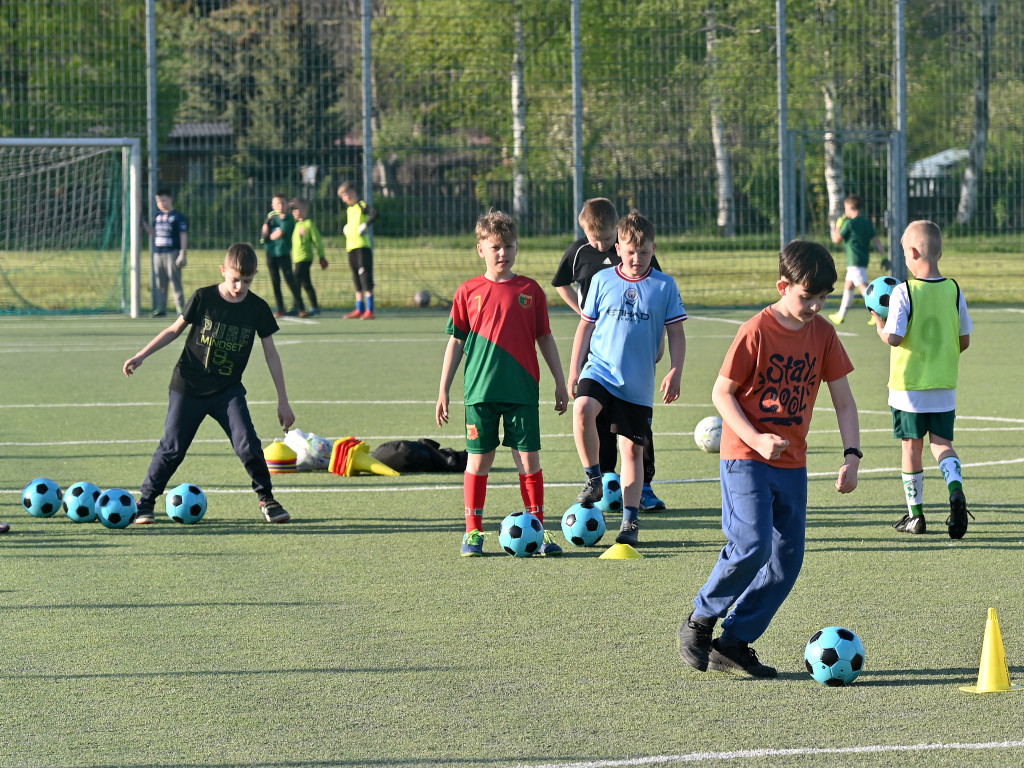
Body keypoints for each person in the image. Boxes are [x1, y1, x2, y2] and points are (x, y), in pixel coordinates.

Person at [677, 240, 860, 678]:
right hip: (746, 456)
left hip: (792, 464)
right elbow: (721, 393)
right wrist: (757, 439)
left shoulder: (824, 334)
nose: (815, 305)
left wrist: (852, 455)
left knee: (786, 561)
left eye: (823, 297)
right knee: (753, 544)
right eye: (806, 295)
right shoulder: (756, 330)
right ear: (783, 285)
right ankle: (700, 620)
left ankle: (735, 642)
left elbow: (845, 403)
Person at [122, 242, 296, 525]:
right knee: (173, 447)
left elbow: (272, 354)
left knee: (248, 443)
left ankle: (268, 499)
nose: (240, 286)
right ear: (223, 271)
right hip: (188, 386)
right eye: (235, 279)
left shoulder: (258, 309)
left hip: (227, 391)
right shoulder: (204, 298)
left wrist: (283, 400)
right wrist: (142, 355)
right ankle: (146, 502)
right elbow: (174, 330)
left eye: (247, 281)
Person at [436, 211, 569, 557]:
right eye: (495, 246)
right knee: (479, 463)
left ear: (517, 247)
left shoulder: (531, 291)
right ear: (480, 248)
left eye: (509, 246)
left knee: (529, 462)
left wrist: (559, 380)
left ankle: (537, 530)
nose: (502, 253)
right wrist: (443, 390)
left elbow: (545, 337)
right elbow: (455, 342)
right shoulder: (468, 292)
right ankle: (472, 531)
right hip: (480, 393)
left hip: (522, 391)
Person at [568, 209, 686, 547]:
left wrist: (675, 369)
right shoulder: (603, 281)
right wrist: (576, 368)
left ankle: (630, 521)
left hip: (637, 382)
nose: (637, 258)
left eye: (645, 252)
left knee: (632, 452)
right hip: (600, 369)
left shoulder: (664, 286)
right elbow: (585, 325)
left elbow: (676, 333)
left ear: (654, 249)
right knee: (582, 409)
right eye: (630, 251)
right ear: (618, 248)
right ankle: (593, 478)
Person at [553, 198, 669, 512]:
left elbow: (654, 299)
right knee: (596, 416)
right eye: (596, 239)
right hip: (599, 349)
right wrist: (581, 311)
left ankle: (644, 487)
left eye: (607, 239)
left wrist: (659, 343)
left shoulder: (636, 254)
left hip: (633, 352)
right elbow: (561, 283)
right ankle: (602, 480)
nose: (602, 244)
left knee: (637, 427)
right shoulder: (579, 253)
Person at [871, 220, 973, 538]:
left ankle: (916, 516)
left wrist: (878, 323)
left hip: (908, 388)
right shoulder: (954, 290)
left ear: (913, 252)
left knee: (911, 447)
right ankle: (955, 491)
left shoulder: (904, 291)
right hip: (944, 386)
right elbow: (964, 340)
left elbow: (895, 338)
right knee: (942, 445)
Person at [828, 193, 888, 325]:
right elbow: (877, 241)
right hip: (862, 260)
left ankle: (876, 313)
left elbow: (836, 239)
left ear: (849, 207)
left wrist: (838, 224)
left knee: (864, 288)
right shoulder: (867, 223)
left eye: (845, 208)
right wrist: (884, 256)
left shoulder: (849, 223)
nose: (845, 211)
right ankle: (840, 315)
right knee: (848, 286)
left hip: (854, 262)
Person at [144, 188, 188, 318]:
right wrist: (143, 224)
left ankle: (180, 309)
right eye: (158, 201)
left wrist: (182, 253)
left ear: (170, 199)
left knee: (175, 282)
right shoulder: (158, 216)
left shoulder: (177, 217)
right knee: (160, 283)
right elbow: (154, 232)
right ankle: (161, 308)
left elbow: (183, 235)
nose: (161, 203)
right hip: (158, 253)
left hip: (172, 253)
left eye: (163, 200)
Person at [338, 181, 378, 319]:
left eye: (345, 195)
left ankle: (370, 310)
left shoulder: (361, 205)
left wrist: (365, 226)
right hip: (351, 247)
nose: (344, 198)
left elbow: (374, 213)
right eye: (342, 196)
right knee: (356, 277)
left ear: (353, 192)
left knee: (365, 277)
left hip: (362, 247)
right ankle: (359, 308)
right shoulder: (350, 209)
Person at [259, 193, 304, 318]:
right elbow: (264, 234)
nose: (280, 206)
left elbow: (277, 234)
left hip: (283, 253)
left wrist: (267, 236)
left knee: (290, 280)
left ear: (287, 204)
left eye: (283, 203)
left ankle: (300, 307)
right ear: (272, 205)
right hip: (270, 253)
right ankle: (280, 308)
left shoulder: (289, 219)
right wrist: (266, 223)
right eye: (277, 203)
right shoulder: (272, 218)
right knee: (275, 281)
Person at [289, 197, 327, 317]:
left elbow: (318, 241)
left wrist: (322, 257)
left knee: (296, 282)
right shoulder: (296, 225)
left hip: (305, 258)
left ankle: (298, 307)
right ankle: (315, 307)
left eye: (297, 209)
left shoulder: (309, 224)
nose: (295, 212)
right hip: (297, 259)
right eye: (293, 210)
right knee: (306, 283)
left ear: (305, 209)